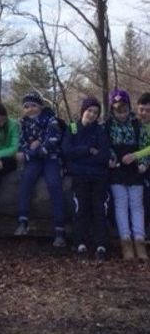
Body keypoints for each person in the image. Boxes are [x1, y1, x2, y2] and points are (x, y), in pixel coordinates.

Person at [14, 91, 66, 248]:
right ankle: (23, 220)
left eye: (33, 106)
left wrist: (34, 150)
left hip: (51, 158)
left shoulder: (51, 120)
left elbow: (52, 141)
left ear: (41, 106)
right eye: (26, 106)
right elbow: (22, 143)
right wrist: (29, 150)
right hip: (34, 160)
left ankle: (59, 229)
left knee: (54, 185)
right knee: (26, 181)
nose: (30, 109)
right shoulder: (23, 123)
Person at [61, 97, 111, 262]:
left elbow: (103, 156)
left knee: (99, 209)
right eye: (89, 111)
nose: (92, 114)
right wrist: (88, 150)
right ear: (83, 110)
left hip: (98, 177)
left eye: (96, 112)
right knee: (80, 208)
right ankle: (80, 244)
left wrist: (80, 158)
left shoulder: (100, 131)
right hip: (79, 176)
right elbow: (67, 152)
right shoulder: (73, 128)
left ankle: (101, 246)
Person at [105, 89, 148, 261]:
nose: (122, 114)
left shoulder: (137, 124)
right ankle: (125, 240)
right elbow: (106, 146)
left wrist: (144, 162)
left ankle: (139, 239)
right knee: (121, 204)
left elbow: (144, 145)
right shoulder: (107, 126)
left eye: (124, 110)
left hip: (135, 170)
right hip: (117, 170)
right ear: (112, 110)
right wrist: (111, 158)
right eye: (118, 110)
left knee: (137, 205)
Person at [123, 92, 150, 238]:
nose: (144, 113)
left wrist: (137, 156)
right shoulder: (133, 123)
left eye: (148, 110)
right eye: (141, 109)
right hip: (135, 168)